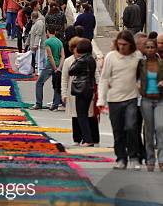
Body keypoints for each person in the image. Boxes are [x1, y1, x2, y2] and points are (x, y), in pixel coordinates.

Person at [97, 30, 142, 170]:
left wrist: (140, 84)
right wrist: (101, 100)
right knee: (118, 130)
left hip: (131, 98)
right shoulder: (111, 57)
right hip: (114, 99)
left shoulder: (137, 56)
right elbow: (104, 79)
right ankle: (121, 158)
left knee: (131, 127)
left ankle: (134, 157)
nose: (122, 47)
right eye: (120, 44)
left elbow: (141, 75)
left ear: (131, 45)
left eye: (125, 44)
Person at [62, 36, 100, 146]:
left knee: (86, 115)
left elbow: (72, 71)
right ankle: (78, 138)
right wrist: (64, 93)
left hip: (82, 90)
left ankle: (88, 138)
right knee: (76, 115)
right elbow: (64, 79)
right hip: (74, 90)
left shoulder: (83, 60)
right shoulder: (68, 61)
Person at [137, 38, 163, 171]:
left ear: (156, 49)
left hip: (160, 100)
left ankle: (162, 159)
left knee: (160, 127)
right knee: (148, 131)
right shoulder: (141, 64)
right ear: (144, 50)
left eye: (152, 47)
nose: (150, 50)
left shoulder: (161, 64)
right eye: (147, 47)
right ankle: (150, 159)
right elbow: (134, 78)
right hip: (146, 100)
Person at [33, 26, 65, 110]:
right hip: (58, 65)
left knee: (39, 83)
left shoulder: (47, 42)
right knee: (56, 84)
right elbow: (62, 56)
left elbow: (50, 56)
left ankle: (38, 103)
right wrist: (59, 67)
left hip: (50, 65)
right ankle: (55, 104)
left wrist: (54, 68)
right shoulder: (59, 42)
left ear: (47, 32)